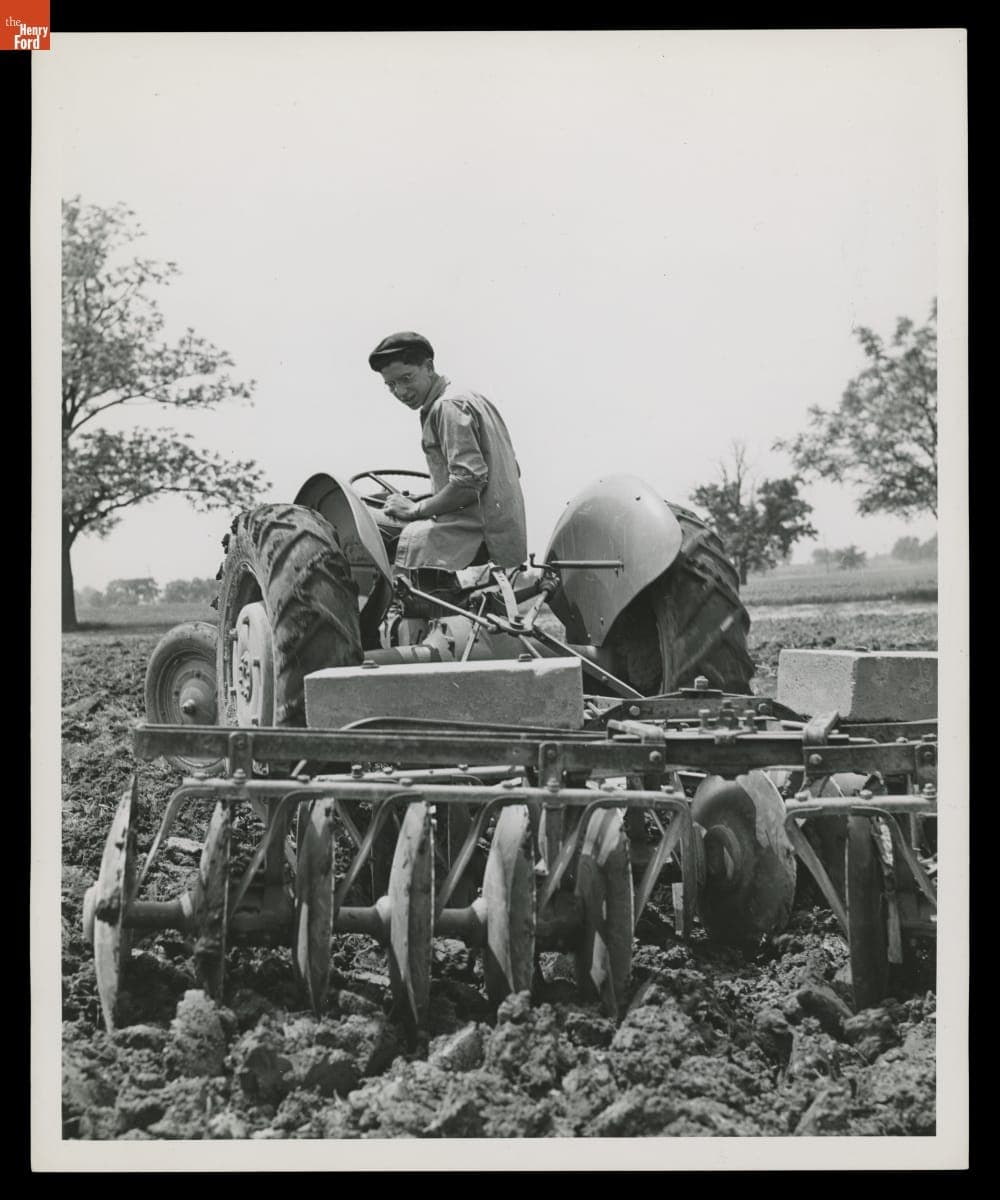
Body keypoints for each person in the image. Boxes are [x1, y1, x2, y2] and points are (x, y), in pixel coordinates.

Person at [367, 332, 528, 594]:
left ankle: (376, 628)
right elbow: (508, 470)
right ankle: (436, 598)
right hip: (501, 530)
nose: (401, 392)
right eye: (391, 385)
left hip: (474, 534)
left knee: (369, 544)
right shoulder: (469, 397)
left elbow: (468, 483)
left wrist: (415, 510)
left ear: (428, 367)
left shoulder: (447, 407)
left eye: (406, 379)